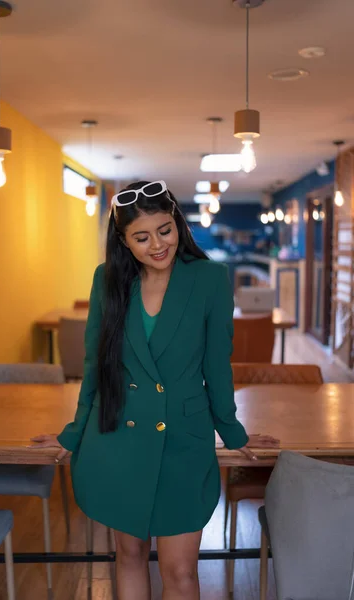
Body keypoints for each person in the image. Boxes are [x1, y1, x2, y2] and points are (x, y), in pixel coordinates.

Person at [30, 180, 278, 600]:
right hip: (118, 439)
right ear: (124, 242)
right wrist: (73, 432)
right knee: (127, 556)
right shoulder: (107, 279)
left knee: (180, 571)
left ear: (177, 222)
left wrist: (233, 432)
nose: (157, 245)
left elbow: (216, 365)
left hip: (184, 442)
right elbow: (96, 364)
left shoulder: (210, 278)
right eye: (141, 238)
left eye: (165, 230)